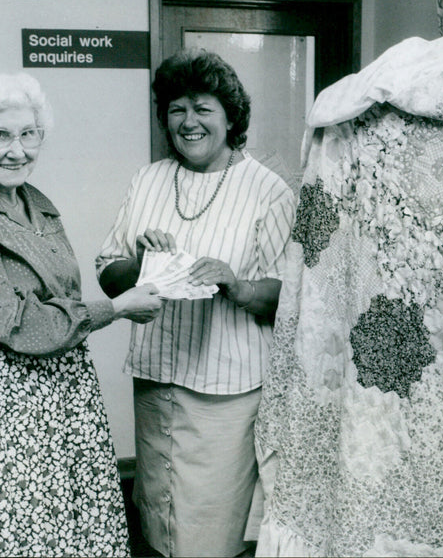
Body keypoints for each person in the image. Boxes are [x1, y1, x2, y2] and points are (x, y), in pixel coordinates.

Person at [0, 69, 163, 557]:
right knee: (7, 528)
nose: (17, 150)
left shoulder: (34, 200)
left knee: (66, 523)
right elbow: (11, 319)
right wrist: (115, 308)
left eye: (29, 134)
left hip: (57, 381)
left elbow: (58, 291)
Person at [96, 48, 296, 557]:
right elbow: (108, 272)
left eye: (203, 108)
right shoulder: (149, 179)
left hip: (225, 387)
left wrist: (238, 285)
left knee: (211, 528)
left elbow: (292, 296)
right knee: (158, 515)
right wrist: (140, 264)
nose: (189, 122)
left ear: (231, 117)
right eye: (176, 109)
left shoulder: (268, 191)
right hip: (156, 373)